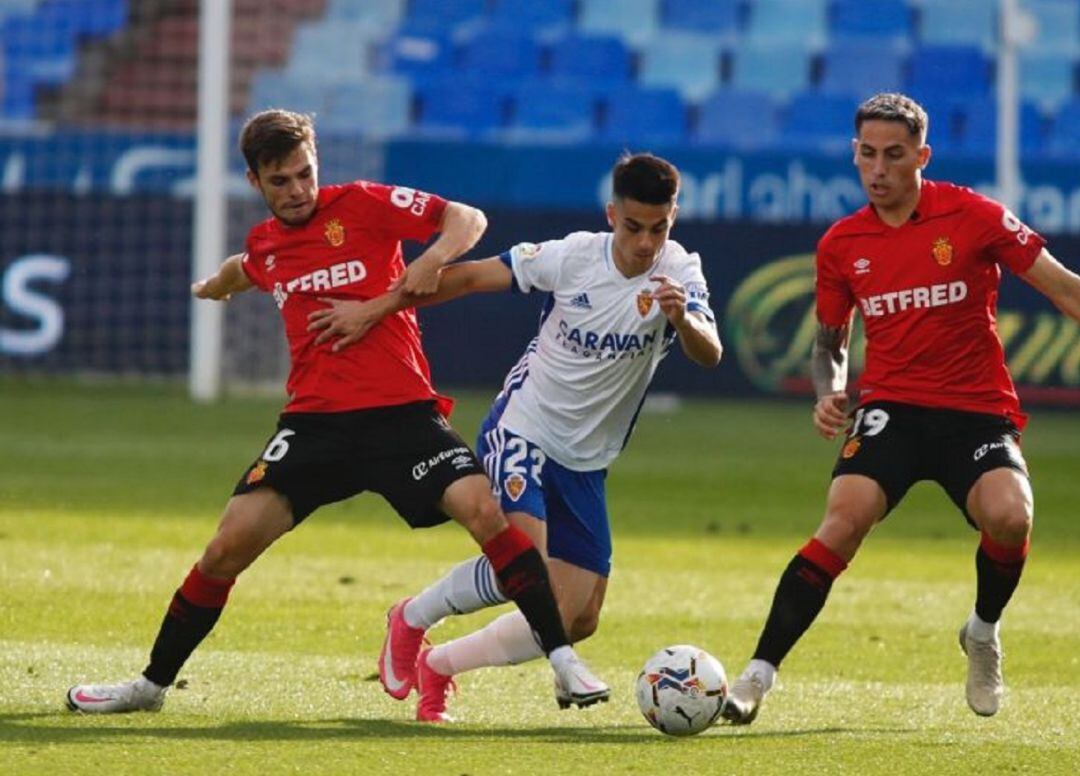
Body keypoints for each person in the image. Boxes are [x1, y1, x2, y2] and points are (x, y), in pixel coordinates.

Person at [65, 109, 607, 714]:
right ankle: (149, 687)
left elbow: (467, 218)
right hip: (313, 427)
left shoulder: (367, 205)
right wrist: (211, 287)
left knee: (484, 511)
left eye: (305, 175)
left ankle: (563, 663)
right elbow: (242, 271)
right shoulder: (266, 246)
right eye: (281, 182)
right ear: (254, 182)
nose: (297, 191)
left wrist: (426, 263)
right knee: (225, 549)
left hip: (402, 415)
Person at [308, 152, 722, 721]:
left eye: (659, 227)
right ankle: (411, 617)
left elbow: (710, 353)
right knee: (524, 559)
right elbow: (474, 276)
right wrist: (379, 308)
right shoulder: (573, 257)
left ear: (672, 218)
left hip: (586, 459)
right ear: (611, 215)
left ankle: (440, 664)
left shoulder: (681, 272)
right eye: (633, 227)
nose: (646, 243)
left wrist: (683, 320)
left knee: (577, 617)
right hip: (524, 426)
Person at [721, 92, 1080, 725]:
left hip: (975, 409)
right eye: (867, 154)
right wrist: (828, 390)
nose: (878, 168)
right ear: (854, 155)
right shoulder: (841, 244)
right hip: (892, 407)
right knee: (844, 517)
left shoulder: (975, 215)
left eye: (893, 155)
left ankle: (982, 631)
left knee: (1011, 517)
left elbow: (1062, 287)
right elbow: (829, 344)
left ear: (922, 155)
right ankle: (756, 675)